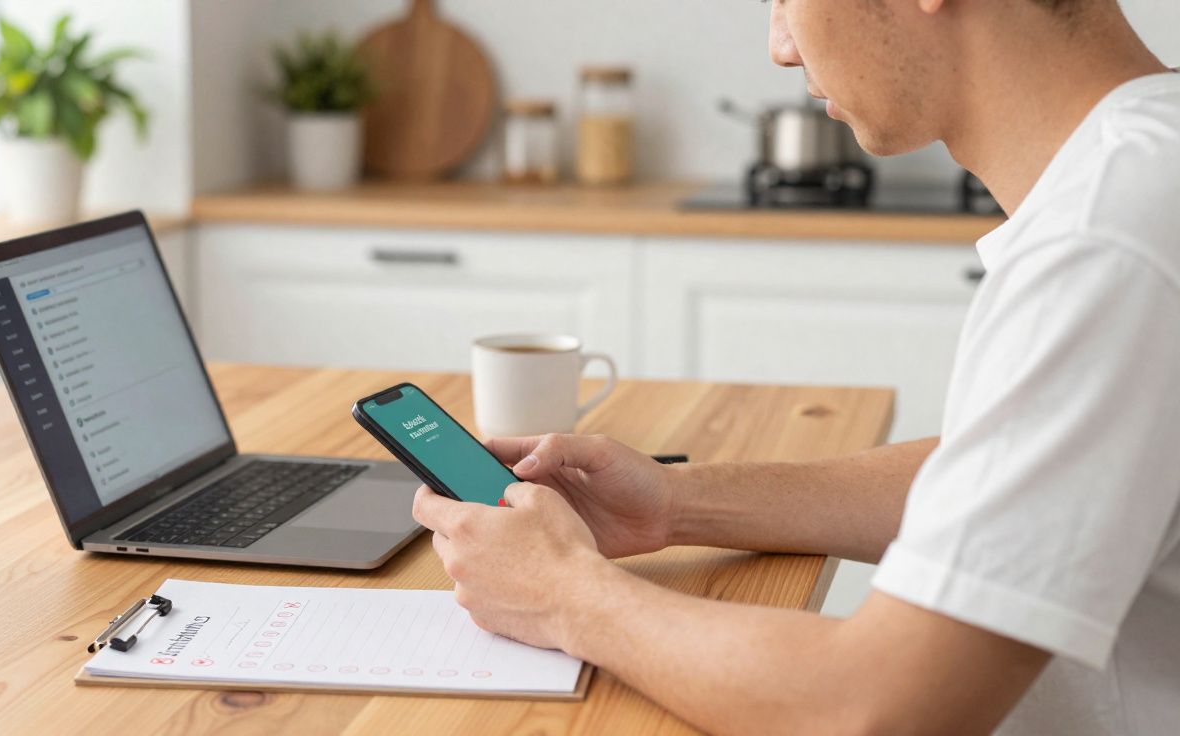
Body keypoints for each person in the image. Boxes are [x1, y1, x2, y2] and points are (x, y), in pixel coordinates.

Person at [413, 1, 1179, 733]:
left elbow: (879, 708)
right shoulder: (1147, 166)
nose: (781, 44)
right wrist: (675, 503)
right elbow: (1019, 479)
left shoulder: (1106, 242)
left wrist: (564, 595)